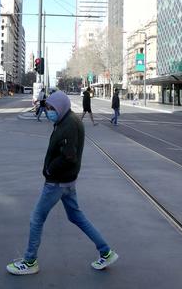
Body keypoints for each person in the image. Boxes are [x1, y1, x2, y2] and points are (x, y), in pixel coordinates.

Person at [7, 91, 119, 275]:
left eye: (51, 108)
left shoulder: (67, 126)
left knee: (36, 218)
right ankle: (105, 251)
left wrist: (50, 169)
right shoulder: (68, 120)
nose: (49, 111)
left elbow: (69, 157)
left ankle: (29, 261)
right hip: (68, 181)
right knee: (76, 216)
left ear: (59, 107)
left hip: (57, 183)